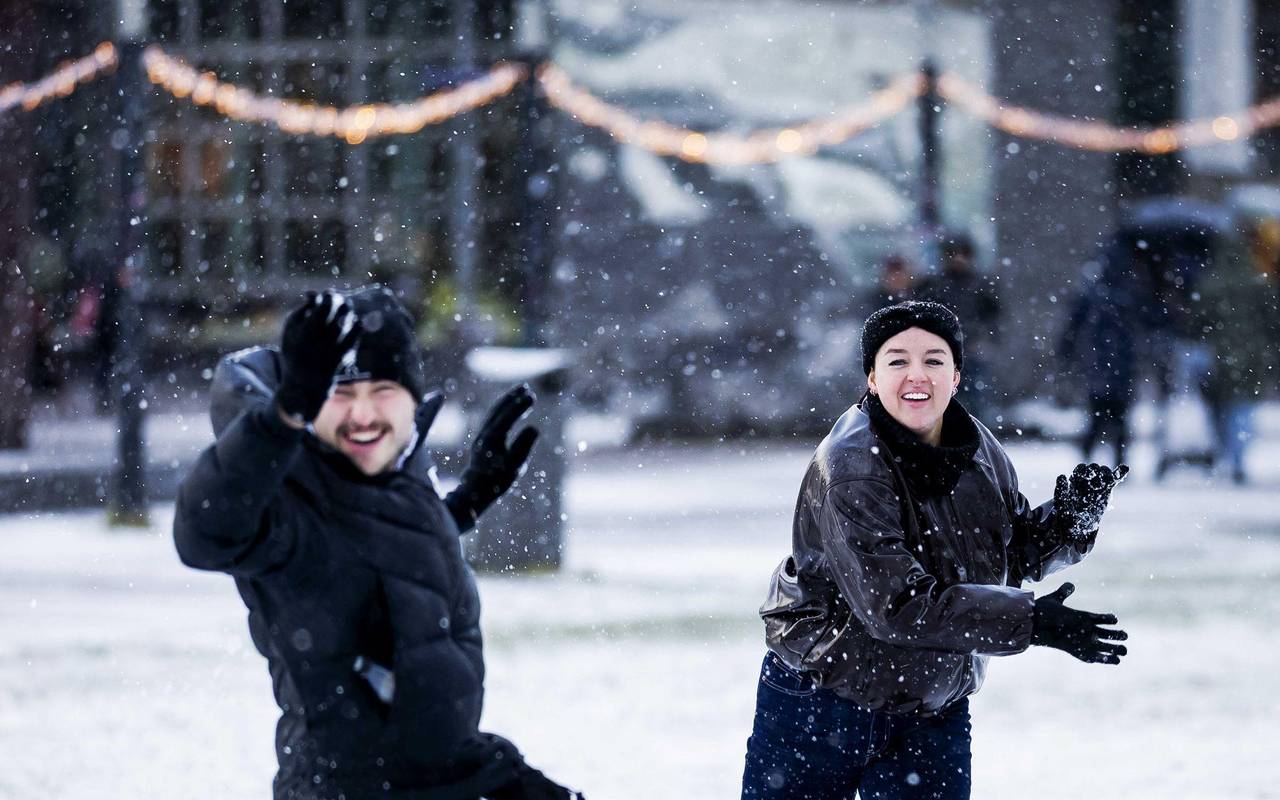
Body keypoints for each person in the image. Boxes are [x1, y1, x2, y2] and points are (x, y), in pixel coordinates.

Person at [173, 286, 581, 800]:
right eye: (341, 393)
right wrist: (282, 417)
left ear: (411, 397)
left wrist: (462, 506)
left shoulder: (401, 477)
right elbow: (205, 532)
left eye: (383, 390)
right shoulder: (286, 496)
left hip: (454, 770)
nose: (363, 415)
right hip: (350, 787)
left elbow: (376, 556)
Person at [741, 301, 1128, 800]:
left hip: (931, 703)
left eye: (934, 360)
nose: (917, 375)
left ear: (957, 375)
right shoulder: (851, 468)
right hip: (823, 698)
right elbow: (896, 607)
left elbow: (1008, 555)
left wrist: (1069, 521)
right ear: (872, 378)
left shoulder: (978, 449)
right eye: (897, 361)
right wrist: (1031, 622)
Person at [1059, 237, 1152, 466]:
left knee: (1100, 414)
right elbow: (1143, 322)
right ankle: (1116, 462)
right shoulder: (1129, 289)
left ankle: (1092, 459)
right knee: (1115, 415)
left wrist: (1066, 352)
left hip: (1100, 359)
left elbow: (1074, 324)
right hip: (1117, 359)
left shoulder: (1096, 290)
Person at [914, 234, 1001, 424]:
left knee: (976, 403)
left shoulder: (981, 285)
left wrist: (985, 341)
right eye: (953, 254)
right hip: (943, 352)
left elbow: (994, 318)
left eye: (963, 254)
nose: (959, 259)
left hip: (973, 352)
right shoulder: (934, 285)